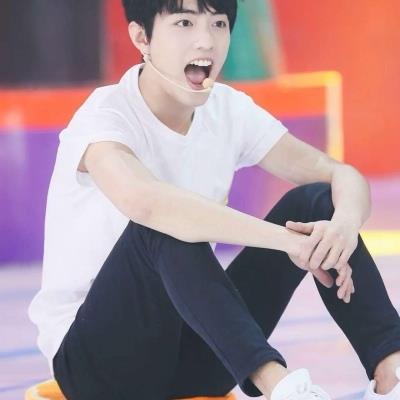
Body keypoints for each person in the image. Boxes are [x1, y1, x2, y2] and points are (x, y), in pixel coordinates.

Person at [28, 0, 400, 399]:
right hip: (100, 364)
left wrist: (341, 228)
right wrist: (292, 243)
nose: (205, 40)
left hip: (197, 354)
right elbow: (148, 204)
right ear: (141, 37)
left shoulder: (228, 110)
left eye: (218, 23)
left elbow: (341, 175)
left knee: (316, 201)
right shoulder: (105, 116)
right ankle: (281, 386)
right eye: (184, 23)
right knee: (162, 229)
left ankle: (391, 373)